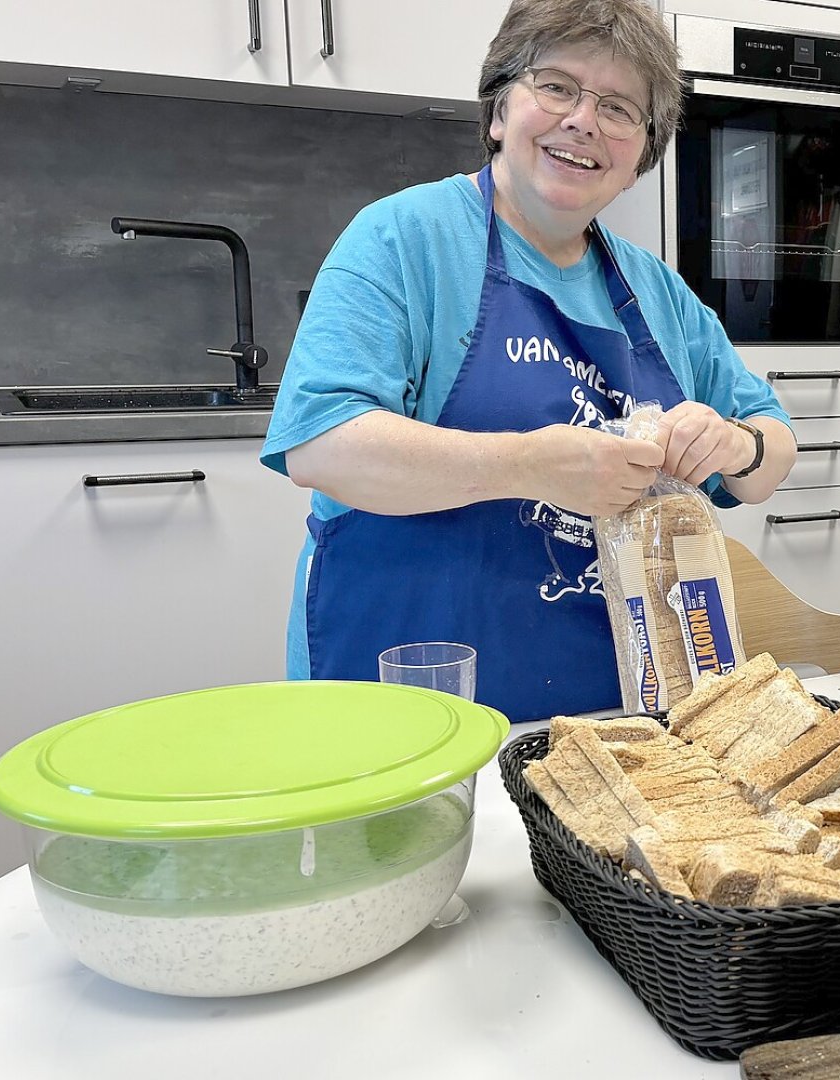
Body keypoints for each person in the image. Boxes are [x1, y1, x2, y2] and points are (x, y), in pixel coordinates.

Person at [260, 0, 794, 722]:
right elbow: (322, 447)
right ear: (498, 113)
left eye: (619, 107)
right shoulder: (403, 239)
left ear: (640, 155)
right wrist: (529, 466)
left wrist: (735, 443)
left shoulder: (656, 290)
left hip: (609, 719)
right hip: (405, 704)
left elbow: (770, 454)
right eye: (556, 86)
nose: (584, 120)